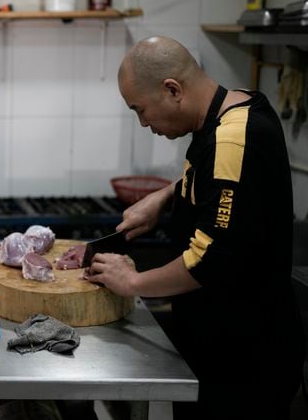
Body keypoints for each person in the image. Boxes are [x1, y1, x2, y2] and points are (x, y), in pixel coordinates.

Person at [86, 36, 305, 420]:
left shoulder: (235, 137)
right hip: (218, 347)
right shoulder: (237, 105)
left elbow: (211, 258)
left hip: (243, 362)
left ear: (172, 90)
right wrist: (167, 196)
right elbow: (224, 180)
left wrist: (133, 282)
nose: (143, 123)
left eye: (141, 110)